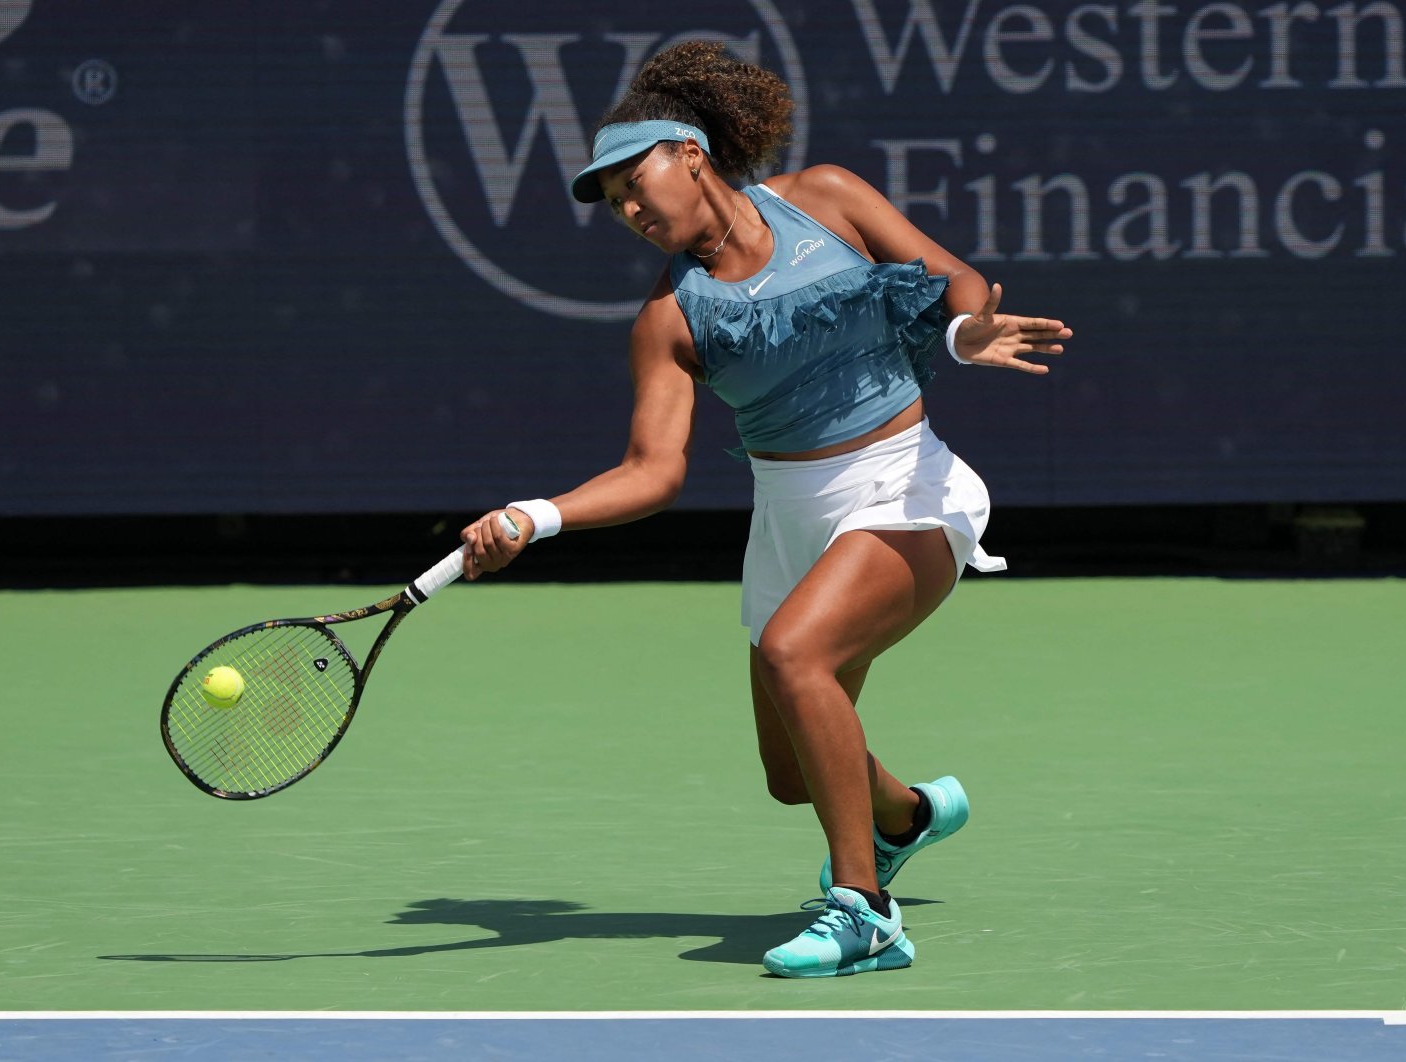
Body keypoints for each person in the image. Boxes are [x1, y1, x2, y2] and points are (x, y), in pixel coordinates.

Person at [459, 41, 1070, 979]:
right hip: (788, 518)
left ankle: (863, 912)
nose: (629, 209)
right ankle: (908, 816)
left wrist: (962, 330)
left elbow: (958, 281)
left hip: (904, 483)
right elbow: (651, 472)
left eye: (635, 181)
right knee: (792, 777)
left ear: (692, 155)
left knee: (796, 654)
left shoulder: (824, 198)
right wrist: (535, 515)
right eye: (613, 202)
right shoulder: (669, 320)